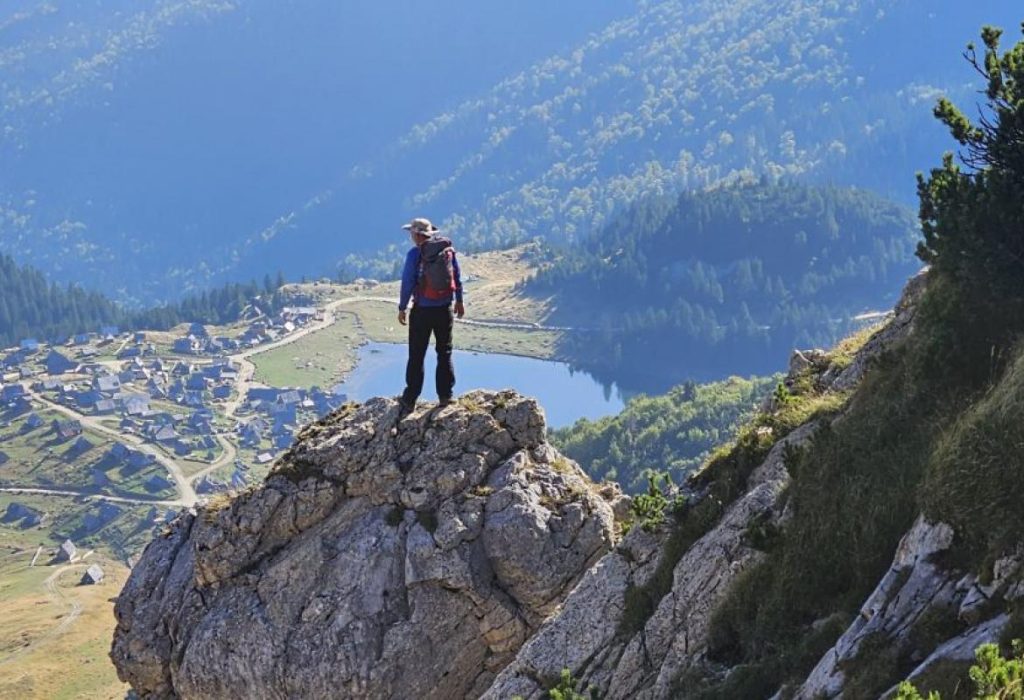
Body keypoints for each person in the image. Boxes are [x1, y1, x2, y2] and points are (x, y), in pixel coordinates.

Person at [397, 217, 465, 414]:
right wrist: (459, 300)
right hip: (445, 309)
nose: (410, 236)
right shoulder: (447, 251)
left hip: (422, 311)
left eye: (412, 233)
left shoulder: (414, 255)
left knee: (416, 354)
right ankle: (446, 396)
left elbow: (408, 282)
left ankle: (410, 399)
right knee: (444, 352)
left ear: (417, 235)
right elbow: (457, 276)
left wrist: (402, 307)